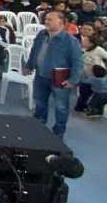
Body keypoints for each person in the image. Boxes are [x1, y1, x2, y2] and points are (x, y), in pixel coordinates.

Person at [26, 10, 84, 139]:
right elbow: (35, 50)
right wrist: (30, 65)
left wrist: (73, 80)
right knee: (40, 103)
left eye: (50, 19)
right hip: (40, 75)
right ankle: (39, 126)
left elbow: (78, 62)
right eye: (46, 19)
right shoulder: (42, 34)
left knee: (61, 107)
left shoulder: (70, 41)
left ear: (61, 23)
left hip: (60, 79)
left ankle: (58, 133)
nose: (46, 21)